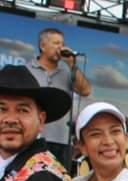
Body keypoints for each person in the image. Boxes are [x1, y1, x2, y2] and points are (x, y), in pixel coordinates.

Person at [27, 28, 91, 169]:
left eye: (62, 44)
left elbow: (86, 90)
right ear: (43, 46)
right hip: (32, 138)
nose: (60, 48)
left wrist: (71, 64)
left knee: (58, 179)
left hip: (61, 140)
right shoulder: (28, 69)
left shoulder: (67, 71)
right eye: (56, 43)